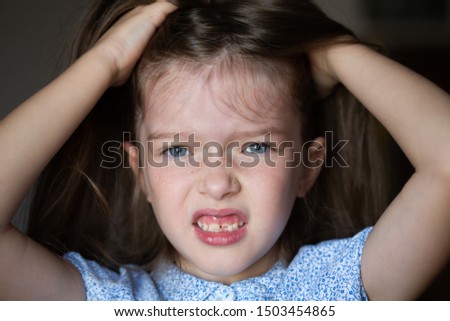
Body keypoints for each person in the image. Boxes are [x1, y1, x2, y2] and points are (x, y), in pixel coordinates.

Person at [0, 0, 449, 301]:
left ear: (307, 168)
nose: (217, 183)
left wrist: (334, 51)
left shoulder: (339, 286)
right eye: (178, 151)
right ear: (141, 174)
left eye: (254, 147)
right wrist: (105, 62)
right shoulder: (111, 302)